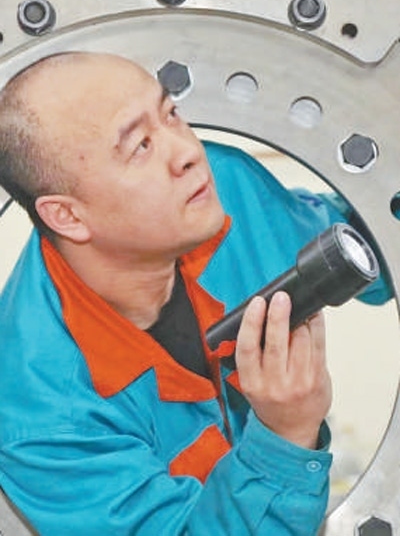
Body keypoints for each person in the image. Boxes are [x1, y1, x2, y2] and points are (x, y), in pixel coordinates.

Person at [0, 52, 390, 536]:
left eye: (170, 114)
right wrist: (286, 435)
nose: (188, 150)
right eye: (140, 146)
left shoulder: (221, 190)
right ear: (68, 216)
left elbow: (371, 232)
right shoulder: (40, 417)